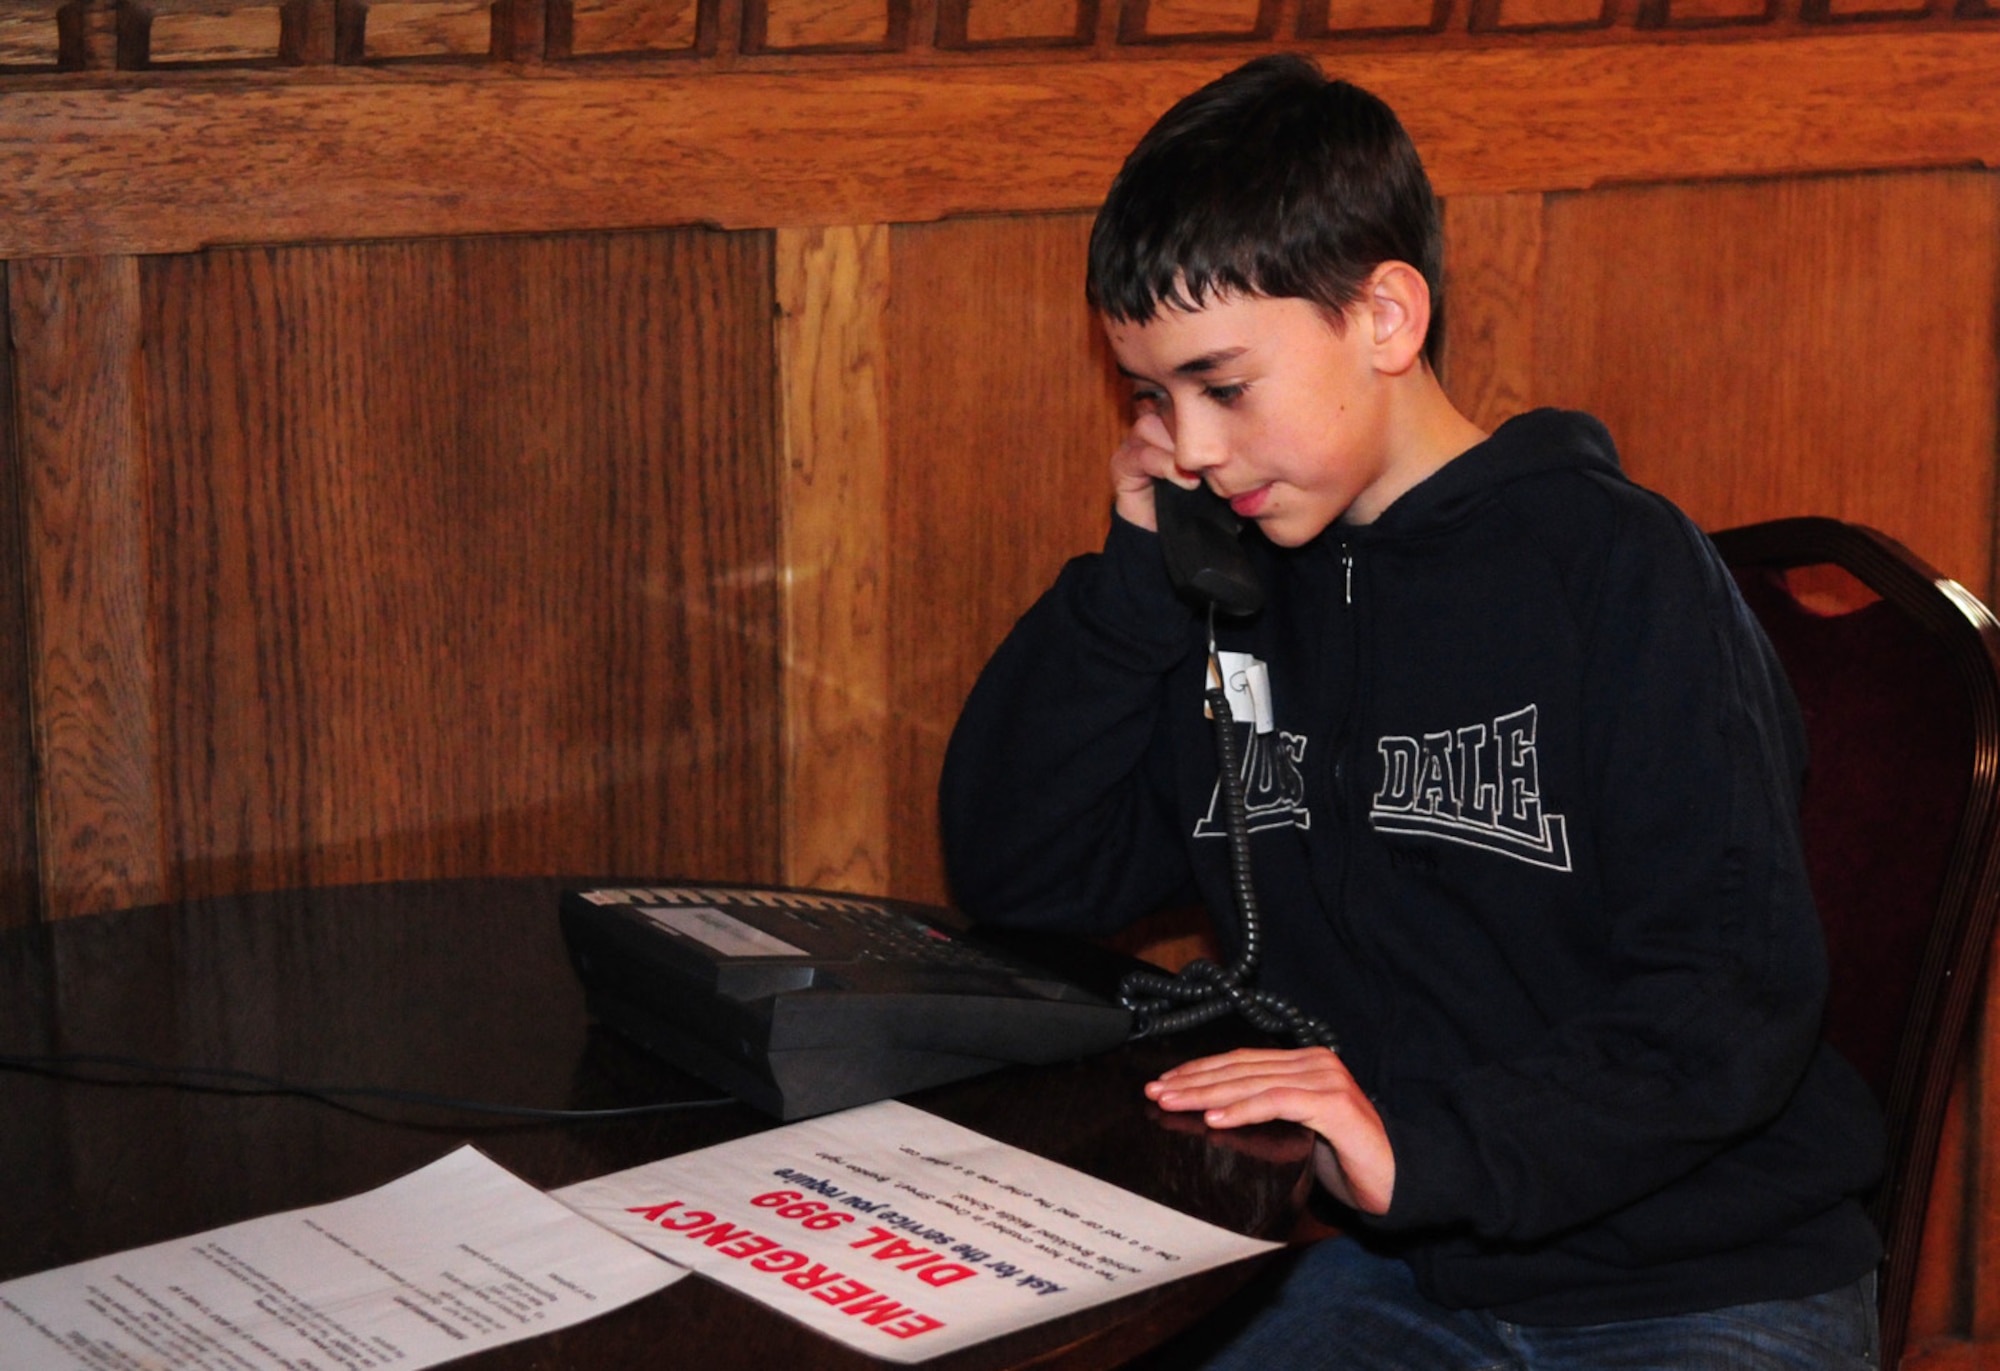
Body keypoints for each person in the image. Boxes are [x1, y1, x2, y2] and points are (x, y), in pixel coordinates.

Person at [937, 53, 1886, 1369]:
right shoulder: (1238, 591)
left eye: (1223, 386)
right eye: (1153, 398)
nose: (1190, 446)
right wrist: (1140, 576)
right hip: (1409, 1279)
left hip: (1700, 1281)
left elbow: (1733, 989)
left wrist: (1429, 1148)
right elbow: (1025, 875)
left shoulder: (1617, 570)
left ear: (1385, 318)